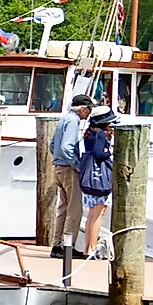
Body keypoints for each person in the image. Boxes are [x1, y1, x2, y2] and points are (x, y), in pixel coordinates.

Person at [48, 94, 90, 256]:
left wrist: (58, 158)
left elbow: (53, 144)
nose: (88, 113)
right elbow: (67, 147)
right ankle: (68, 248)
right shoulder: (73, 121)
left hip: (57, 167)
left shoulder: (63, 118)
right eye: (88, 109)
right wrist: (77, 165)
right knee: (75, 209)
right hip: (68, 169)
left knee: (63, 208)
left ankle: (57, 245)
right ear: (82, 109)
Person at [79, 107, 118, 259]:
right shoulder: (101, 134)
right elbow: (100, 154)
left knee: (91, 214)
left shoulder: (89, 134)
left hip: (89, 180)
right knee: (98, 214)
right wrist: (111, 150)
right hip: (100, 180)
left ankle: (87, 248)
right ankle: (92, 249)